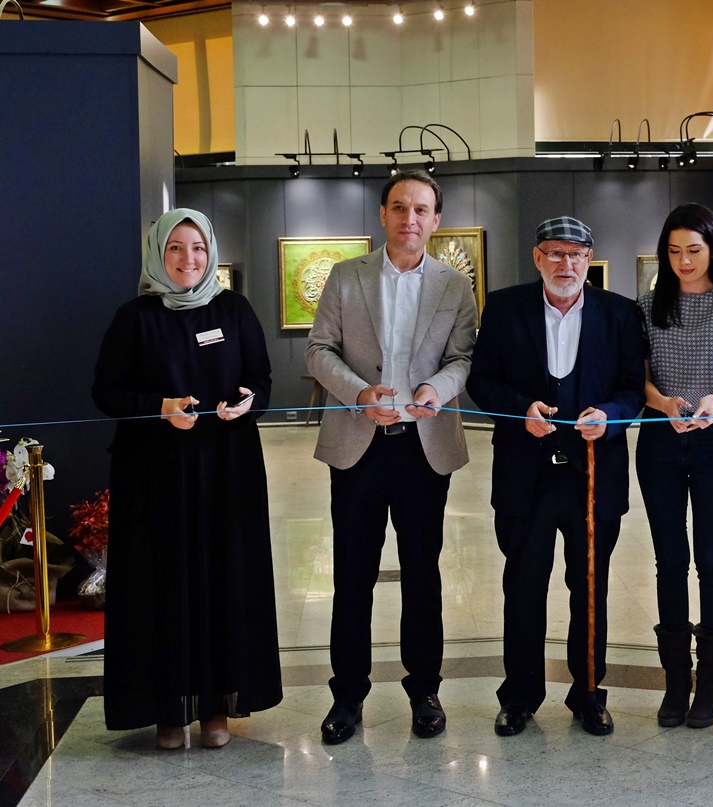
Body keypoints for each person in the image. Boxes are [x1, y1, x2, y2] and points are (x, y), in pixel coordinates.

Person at [92, 208, 281, 749]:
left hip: (226, 470)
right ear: (158, 252)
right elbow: (106, 392)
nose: (188, 259)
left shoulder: (235, 309)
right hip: (154, 474)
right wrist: (161, 407)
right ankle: (168, 711)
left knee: (223, 580)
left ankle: (217, 708)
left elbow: (260, 380)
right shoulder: (134, 317)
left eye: (197, 247)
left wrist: (247, 403)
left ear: (211, 253)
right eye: (175, 247)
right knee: (162, 585)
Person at [306, 170, 476, 745]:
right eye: (399, 207)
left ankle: (424, 691)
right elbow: (319, 350)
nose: (410, 218)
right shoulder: (345, 276)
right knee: (352, 575)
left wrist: (436, 390)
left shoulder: (455, 285)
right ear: (382, 214)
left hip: (423, 449)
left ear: (435, 220)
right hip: (358, 445)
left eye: (421, 209)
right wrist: (359, 393)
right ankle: (347, 695)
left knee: (423, 575)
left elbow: (462, 358)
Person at [467, 216, 645, 737]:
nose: (566, 264)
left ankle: (588, 693)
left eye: (576, 255)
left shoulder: (619, 313)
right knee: (523, 587)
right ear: (537, 257)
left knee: (589, 588)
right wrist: (519, 410)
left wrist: (610, 416)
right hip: (525, 477)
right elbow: (482, 380)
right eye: (556, 254)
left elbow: (633, 388)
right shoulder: (504, 307)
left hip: (593, 478)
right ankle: (519, 696)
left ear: (589, 259)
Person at [637, 203, 713, 728]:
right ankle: (675, 681)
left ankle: (710, 684)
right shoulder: (646, 307)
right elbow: (640, 380)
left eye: (694, 250)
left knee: (711, 558)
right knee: (669, 559)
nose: (684, 261)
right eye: (674, 251)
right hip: (659, 441)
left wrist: (712, 402)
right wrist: (663, 403)